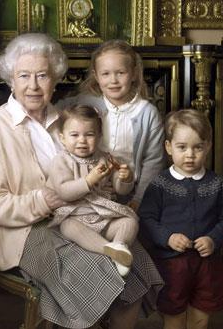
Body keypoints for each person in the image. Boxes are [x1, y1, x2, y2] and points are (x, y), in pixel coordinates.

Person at [0, 33, 163, 329]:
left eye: (43, 75)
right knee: (90, 268)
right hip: (22, 231)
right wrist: (50, 201)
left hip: (79, 218)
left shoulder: (70, 119)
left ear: (56, 78)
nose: (34, 85)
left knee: (136, 262)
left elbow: (98, 179)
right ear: (10, 79)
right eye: (24, 76)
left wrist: (115, 181)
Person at [138, 109, 223, 329]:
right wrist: (167, 237)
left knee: (200, 321)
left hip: (206, 267)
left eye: (197, 147)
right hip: (173, 267)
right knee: (174, 322)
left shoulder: (216, 185)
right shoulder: (160, 184)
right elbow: (147, 219)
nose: (190, 155)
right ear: (168, 147)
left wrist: (214, 238)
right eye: (182, 147)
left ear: (207, 146)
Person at [61, 39, 165, 208]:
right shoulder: (86, 103)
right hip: (89, 188)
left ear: (133, 73)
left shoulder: (147, 113)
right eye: (106, 74)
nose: (113, 80)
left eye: (120, 73)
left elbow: (153, 163)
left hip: (128, 191)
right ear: (96, 76)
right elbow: (53, 111)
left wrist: (139, 200)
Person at [46, 105, 139, 277]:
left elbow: (121, 191)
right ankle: (109, 251)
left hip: (104, 217)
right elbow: (64, 192)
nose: (82, 140)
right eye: (74, 135)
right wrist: (88, 181)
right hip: (75, 215)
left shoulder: (106, 159)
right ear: (62, 138)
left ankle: (119, 246)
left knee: (130, 222)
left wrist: (125, 178)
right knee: (67, 226)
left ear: (99, 136)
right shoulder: (61, 161)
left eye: (89, 134)